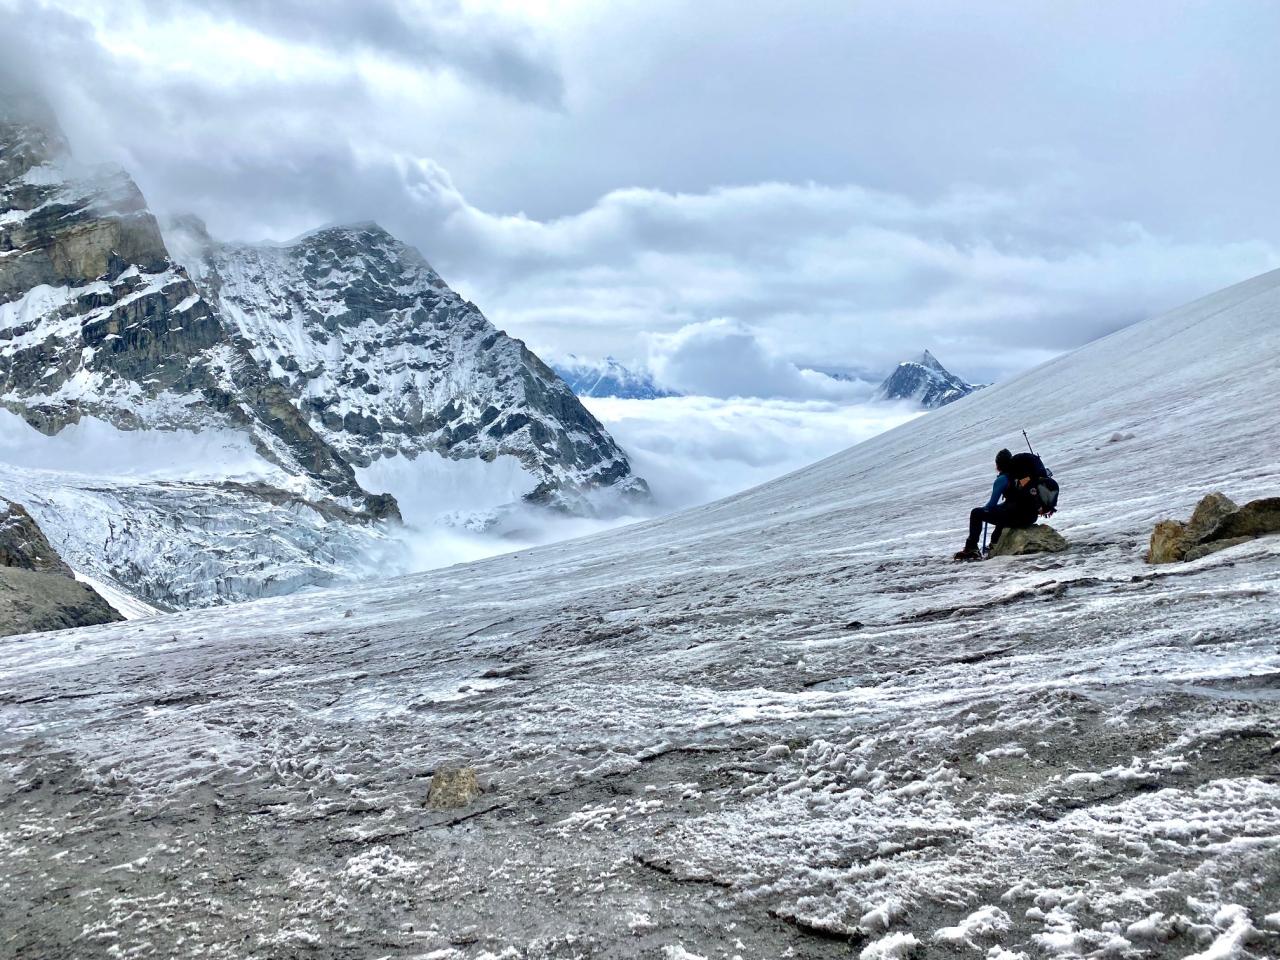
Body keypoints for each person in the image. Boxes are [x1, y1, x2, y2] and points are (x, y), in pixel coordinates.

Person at [954, 450, 1041, 561]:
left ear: (998, 465)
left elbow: (991, 506)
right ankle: (994, 543)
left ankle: (971, 548)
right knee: (1003, 511)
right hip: (1030, 517)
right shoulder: (1022, 476)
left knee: (976, 513)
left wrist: (984, 510)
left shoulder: (1002, 479)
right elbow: (1016, 498)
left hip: (1016, 518)